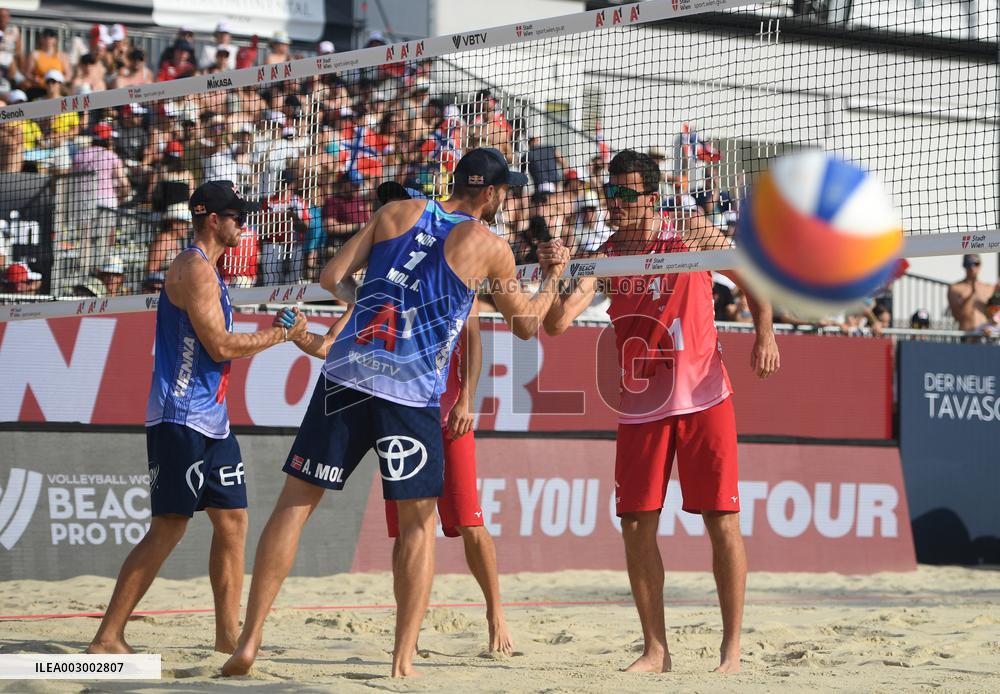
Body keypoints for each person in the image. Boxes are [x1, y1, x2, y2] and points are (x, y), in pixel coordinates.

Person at [222, 147, 569, 678]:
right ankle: (401, 660)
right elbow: (525, 326)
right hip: (408, 392)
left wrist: (374, 304)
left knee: (295, 504)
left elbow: (331, 276)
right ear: (493, 193)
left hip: (347, 374)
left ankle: (249, 641)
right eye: (507, 192)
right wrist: (551, 278)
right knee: (418, 525)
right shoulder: (490, 246)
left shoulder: (396, 213)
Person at [543, 149, 779, 674]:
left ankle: (731, 650)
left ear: (652, 198)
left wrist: (764, 331)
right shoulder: (605, 256)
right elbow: (556, 323)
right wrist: (555, 274)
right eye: (611, 194)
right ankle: (656, 649)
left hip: (704, 398)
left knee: (722, 521)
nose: (616, 203)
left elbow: (754, 282)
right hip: (643, 408)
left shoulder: (692, 236)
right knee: (635, 526)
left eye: (627, 195)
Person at [86, 180, 306, 655]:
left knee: (233, 522)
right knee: (169, 525)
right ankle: (107, 637)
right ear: (214, 220)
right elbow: (221, 346)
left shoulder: (212, 272)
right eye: (237, 218)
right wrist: (278, 337)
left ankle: (228, 638)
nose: (243, 226)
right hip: (180, 416)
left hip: (213, 421)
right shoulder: (193, 268)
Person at [947, 254, 994, 333]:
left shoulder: (989, 288)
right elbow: (957, 315)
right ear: (964, 266)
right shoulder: (955, 288)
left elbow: (994, 315)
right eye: (968, 264)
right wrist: (971, 293)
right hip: (967, 334)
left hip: (984, 335)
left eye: (976, 264)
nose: (972, 268)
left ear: (980, 265)